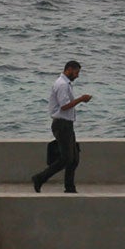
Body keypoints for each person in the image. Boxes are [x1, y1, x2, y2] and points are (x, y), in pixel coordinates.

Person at [30, 60, 89, 194]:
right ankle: (39, 178)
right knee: (66, 158)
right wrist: (81, 99)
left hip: (67, 124)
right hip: (62, 125)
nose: (77, 76)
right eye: (76, 72)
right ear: (68, 69)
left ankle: (70, 187)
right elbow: (64, 106)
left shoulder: (66, 84)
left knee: (74, 158)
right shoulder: (62, 85)